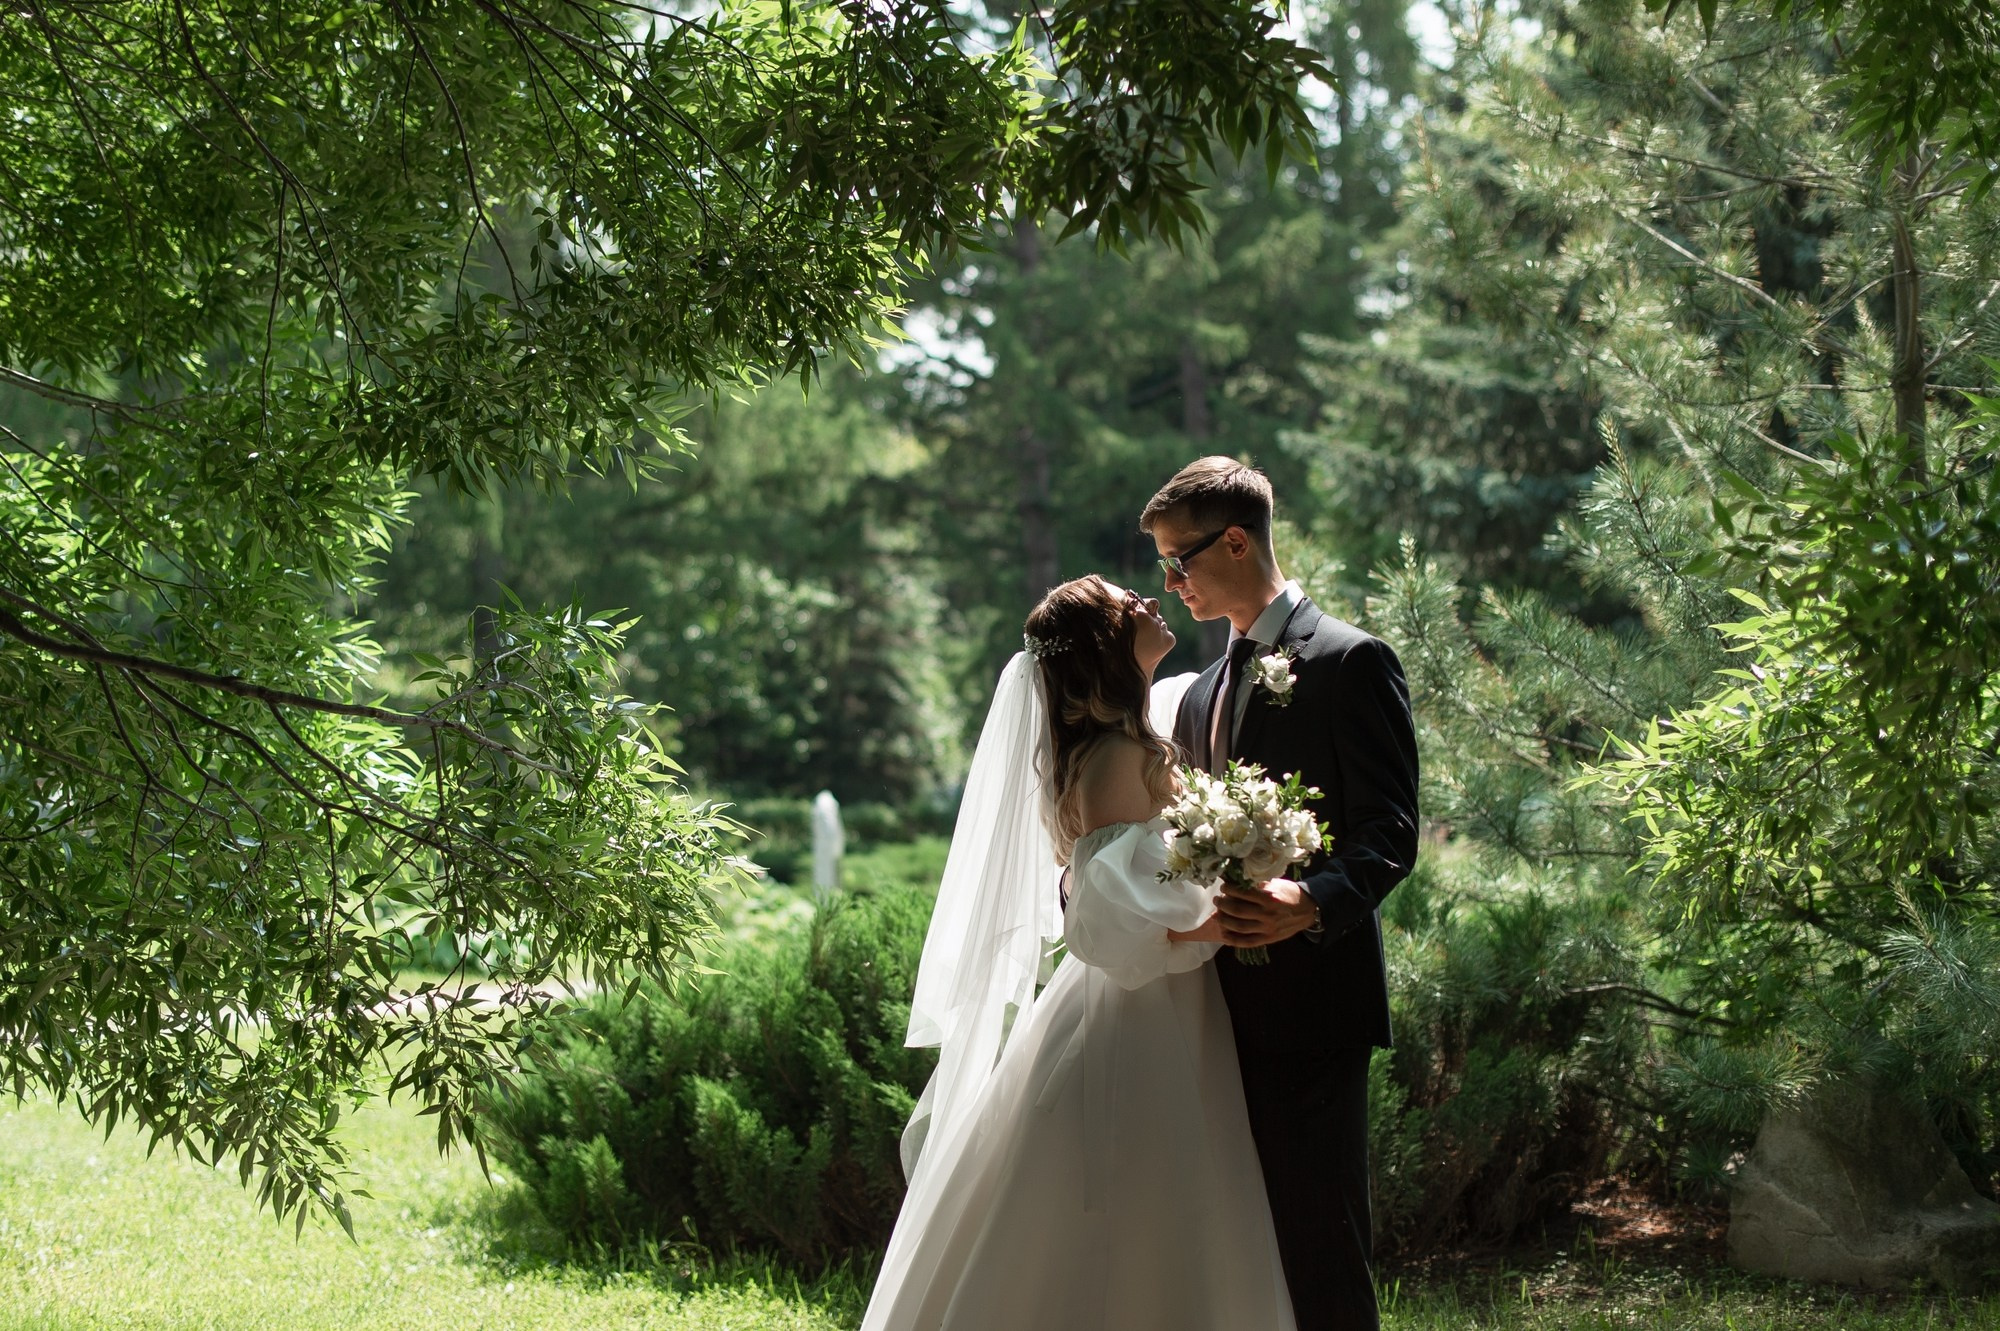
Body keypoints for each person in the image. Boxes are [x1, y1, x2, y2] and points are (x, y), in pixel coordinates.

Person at [860, 576, 1295, 1331]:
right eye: (1132, 605)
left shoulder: (1126, 738)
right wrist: (1232, 911)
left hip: (1142, 998)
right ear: (1105, 645)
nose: (1153, 604)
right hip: (1139, 1007)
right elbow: (1117, 913)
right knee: (1143, 1196)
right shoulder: (1115, 756)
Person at [1142, 456, 1421, 1331]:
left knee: (1320, 1239)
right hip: (1214, 1004)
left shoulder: (1349, 661)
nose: (1170, 582)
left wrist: (1314, 900)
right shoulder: (1200, 691)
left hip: (1312, 1000)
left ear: (1235, 540)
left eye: (1179, 561)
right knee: (1238, 1243)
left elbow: (1391, 831)